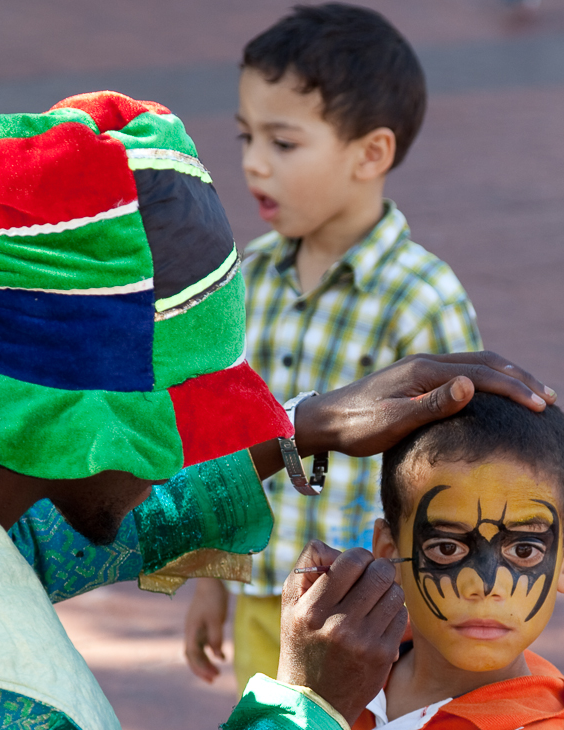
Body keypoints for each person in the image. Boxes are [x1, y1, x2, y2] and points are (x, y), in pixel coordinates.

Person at [0, 89, 553, 730]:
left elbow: (27, 539)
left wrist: (294, 429)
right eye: (180, 426)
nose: (187, 454)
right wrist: (304, 721)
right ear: (85, 424)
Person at [184, 4, 482, 694]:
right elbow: (220, 444)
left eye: (283, 143)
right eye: (245, 136)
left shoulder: (419, 299)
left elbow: (454, 475)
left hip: (378, 618)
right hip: (268, 601)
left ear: (370, 153)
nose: (254, 163)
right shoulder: (247, 279)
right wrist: (210, 581)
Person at [334, 392, 564, 730]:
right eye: (446, 548)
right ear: (387, 549)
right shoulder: (346, 673)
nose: (485, 584)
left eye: (524, 550)